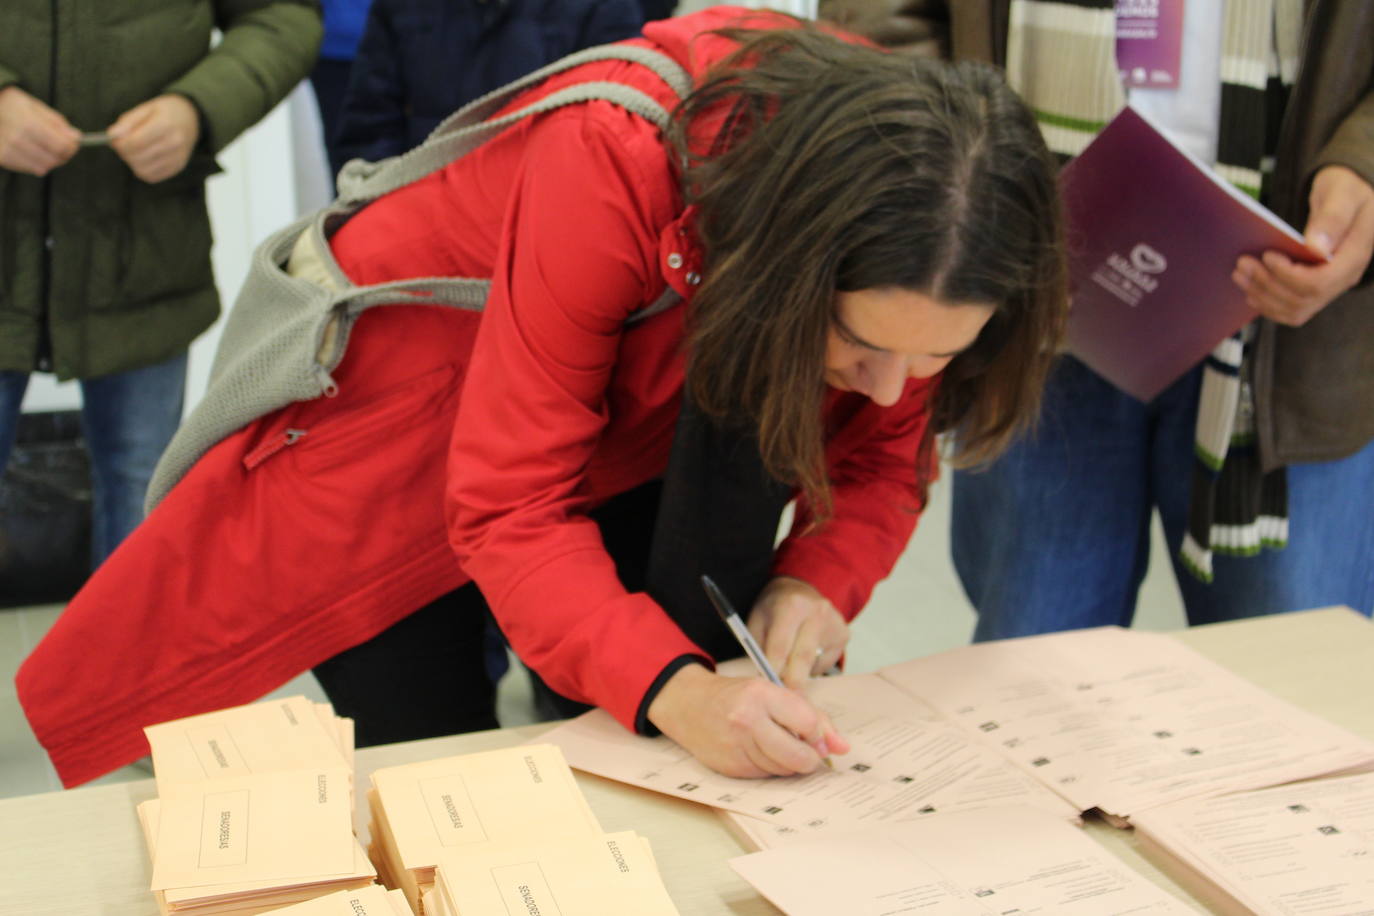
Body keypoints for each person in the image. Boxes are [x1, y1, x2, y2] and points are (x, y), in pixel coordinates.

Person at [18, 6, 1067, 786]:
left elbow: (886, 458)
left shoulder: (931, 213)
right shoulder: (615, 154)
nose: (892, 389)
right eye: (859, 343)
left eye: (933, 363)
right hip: (398, 458)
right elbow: (510, 505)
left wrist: (817, 583)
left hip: (631, 424)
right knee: (443, 766)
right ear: (795, 265)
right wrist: (685, 695)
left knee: (623, 730)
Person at [940, 0, 1374, 638]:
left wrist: (1366, 161)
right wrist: (945, 162)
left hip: (1287, 327)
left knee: (1286, 679)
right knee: (1035, 668)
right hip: (1033, 291)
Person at [0, 1, 323, 570]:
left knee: (142, 517)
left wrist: (199, 107)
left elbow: (282, 14)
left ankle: (121, 662)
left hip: (142, 256)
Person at [328, 0, 645, 177]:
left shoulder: (600, 9)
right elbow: (368, 131)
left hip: (542, 222)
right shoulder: (403, 9)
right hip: (419, 222)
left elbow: (613, 143)